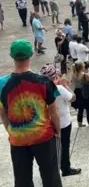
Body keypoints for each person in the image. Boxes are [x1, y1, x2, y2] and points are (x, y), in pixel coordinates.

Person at [0, 40, 63, 187]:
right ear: (31, 55)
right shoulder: (44, 81)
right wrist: (58, 132)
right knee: (50, 176)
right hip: (43, 136)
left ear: (12, 56)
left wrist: (11, 131)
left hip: (18, 139)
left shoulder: (2, 84)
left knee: (22, 179)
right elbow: (53, 111)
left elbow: (3, 114)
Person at [39, 63, 82, 177]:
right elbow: (73, 98)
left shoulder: (40, 90)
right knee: (64, 146)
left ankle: (51, 169)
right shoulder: (59, 88)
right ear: (54, 76)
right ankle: (65, 168)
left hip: (47, 123)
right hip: (63, 122)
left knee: (50, 148)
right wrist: (66, 86)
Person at [71, 61, 89, 126]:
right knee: (88, 108)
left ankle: (80, 123)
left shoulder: (73, 75)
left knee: (80, 108)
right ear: (82, 67)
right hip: (85, 92)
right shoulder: (85, 75)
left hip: (77, 92)